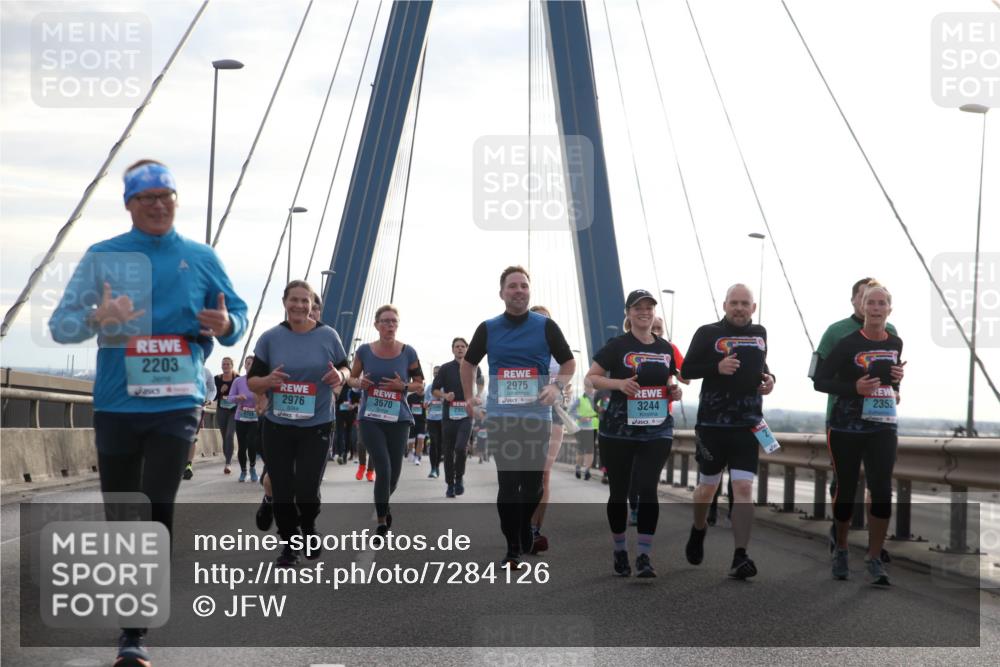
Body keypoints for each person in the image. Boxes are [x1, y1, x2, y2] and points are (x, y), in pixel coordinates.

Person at [49, 158, 248, 667]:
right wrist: (99, 316)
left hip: (177, 401)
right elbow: (61, 327)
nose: (158, 205)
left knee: (156, 501)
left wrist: (225, 322)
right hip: (117, 403)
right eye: (147, 198)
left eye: (166, 196)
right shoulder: (103, 256)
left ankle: (133, 634)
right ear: (129, 205)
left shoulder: (201, 257)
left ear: (177, 202)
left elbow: (237, 319)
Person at [461, 266, 575, 568]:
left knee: (534, 484)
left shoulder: (545, 326)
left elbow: (568, 362)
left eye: (524, 286)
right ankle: (512, 548)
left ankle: (524, 526)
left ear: (529, 291)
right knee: (509, 484)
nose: (519, 291)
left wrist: (556, 386)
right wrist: (470, 396)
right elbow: (469, 363)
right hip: (502, 417)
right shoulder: (488, 328)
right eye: (512, 286)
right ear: (502, 293)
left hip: (537, 417)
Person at [248, 280, 348, 566]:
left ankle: (308, 527)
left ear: (312, 305)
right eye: (294, 300)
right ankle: (289, 545)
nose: (300, 306)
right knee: (281, 488)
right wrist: (268, 381)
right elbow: (253, 381)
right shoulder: (270, 338)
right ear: (284, 302)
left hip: (316, 424)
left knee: (306, 488)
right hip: (278, 425)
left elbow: (345, 367)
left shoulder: (328, 335)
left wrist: (339, 377)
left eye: (306, 301)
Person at [586, 290, 682, 577]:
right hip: (618, 431)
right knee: (618, 492)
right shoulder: (617, 346)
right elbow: (591, 377)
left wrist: (674, 388)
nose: (644, 312)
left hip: (657, 428)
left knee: (647, 488)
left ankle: (643, 556)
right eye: (638, 307)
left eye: (649, 307)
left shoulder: (665, 348)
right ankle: (619, 550)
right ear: (628, 313)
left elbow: (670, 377)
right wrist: (619, 384)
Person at [682, 284, 775, 580]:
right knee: (707, 488)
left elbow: (761, 366)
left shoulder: (760, 333)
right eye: (734, 302)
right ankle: (699, 529)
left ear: (753, 307)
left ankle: (740, 555)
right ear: (724, 305)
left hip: (748, 425)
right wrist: (716, 367)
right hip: (712, 425)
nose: (739, 307)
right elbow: (686, 370)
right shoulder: (707, 332)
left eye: (744, 303)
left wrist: (770, 379)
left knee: (744, 489)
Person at [814, 282, 903, 585]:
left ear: (890, 309)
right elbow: (821, 381)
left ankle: (874, 557)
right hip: (846, 425)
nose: (876, 308)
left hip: (882, 425)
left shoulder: (895, 342)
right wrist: (853, 388)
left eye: (882, 303)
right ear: (862, 307)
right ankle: (840, 547)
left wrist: (897, 384)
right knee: (847, 490)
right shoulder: (847, 343)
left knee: (881, 489)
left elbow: (890, 378)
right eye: (871, 303)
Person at [348, 305, 424, 535]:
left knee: (394, 473)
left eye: (393, 321)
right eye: (385, 321)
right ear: (376, 324)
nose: (390, 325)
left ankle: (384, 504)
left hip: (398, 419)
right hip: (370, 417)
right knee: (383, 465)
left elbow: (420, 384)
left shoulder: (408, 352)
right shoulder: (364, 351)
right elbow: (351, 378)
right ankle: (381, 520)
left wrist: (403, 386)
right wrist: (358, 383)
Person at [527, 305, 569, 554]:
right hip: (520, 415)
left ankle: (534, 529)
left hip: (552, 414)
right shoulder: (517, 350)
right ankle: (518, 524)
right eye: (536, 319)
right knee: (520, 474)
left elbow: (569, 374)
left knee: (543, 473)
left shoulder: (559, 352)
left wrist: (561, 388)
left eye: (546, 320)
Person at [432, 337, 484, 497]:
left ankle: (459, 477)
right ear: (452, 349)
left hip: (466, 414)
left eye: (463, 346)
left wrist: (478, 395)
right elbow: (434, 389)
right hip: (449, 414)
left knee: (461, 448)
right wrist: (445, 395)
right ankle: (450, 484)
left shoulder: (474, 367)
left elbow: (481, 382)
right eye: (457, 346)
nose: (460, 349)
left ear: (467, 349)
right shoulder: (446, 368)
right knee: (448, 451)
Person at [228, 355, 261, 482]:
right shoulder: (238, 381)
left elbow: (266, 397)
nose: (249, 365)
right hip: (240, 417)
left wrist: (258, 400)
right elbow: (230, 397)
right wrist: (238, 397)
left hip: (254, 417)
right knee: (242, 446)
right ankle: (243, 471)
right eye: (247, 363)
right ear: (245, 366)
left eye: (252, 363)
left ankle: (252, 468)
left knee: (252, 443)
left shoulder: (260, 381)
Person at [214, 357, 238, 474]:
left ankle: (228, 463)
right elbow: (213, 396)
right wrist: (220, 391)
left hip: (234, 410)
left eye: (228, 364)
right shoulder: (217, 379)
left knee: (229, 435)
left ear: (232, 365)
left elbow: (242, 392)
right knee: (224, 436)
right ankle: (227, 458)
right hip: (222, 410)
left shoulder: (237, 378)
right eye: (223, 364)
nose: (225, 366)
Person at [571, 387, 598, 480]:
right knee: (581, 450)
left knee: (590, 450)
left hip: (594, 427)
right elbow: (571, 411)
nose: (590, 389)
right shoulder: (580, 399)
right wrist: (580, 417)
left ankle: (587, 471)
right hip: (582, 427)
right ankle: (578, 467)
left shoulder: (597, 398)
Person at [334, 382, 361, 464]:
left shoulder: (354, 386)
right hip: (340, 411)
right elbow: (335, 398)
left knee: (348, 434)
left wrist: (353, 405)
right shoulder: (339, 384)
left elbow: (359, 400)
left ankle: (345, 453)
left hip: (350, 412)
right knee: (340, 432)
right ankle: (340, 454)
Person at [425, 366, 443, 478]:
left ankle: (437, 466)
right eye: (435, 373)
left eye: (438, 373)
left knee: (441, 444)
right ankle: (433, 469)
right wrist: (429, 402)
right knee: (433, 443)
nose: (436, 374)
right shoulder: (429, 388)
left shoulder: (445, 387)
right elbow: (425, 404)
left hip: (443, 419)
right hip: (432, 418)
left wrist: (442, 398)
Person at [406, 390, 427, 465]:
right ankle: (410, 451)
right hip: (412, 421)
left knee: (421, 439)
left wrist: (427, 406)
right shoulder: (410, 397)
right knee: (411, 440)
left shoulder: (426, 397)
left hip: (422, 421)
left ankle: (417, 457)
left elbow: (430, 407)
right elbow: (406, 407)